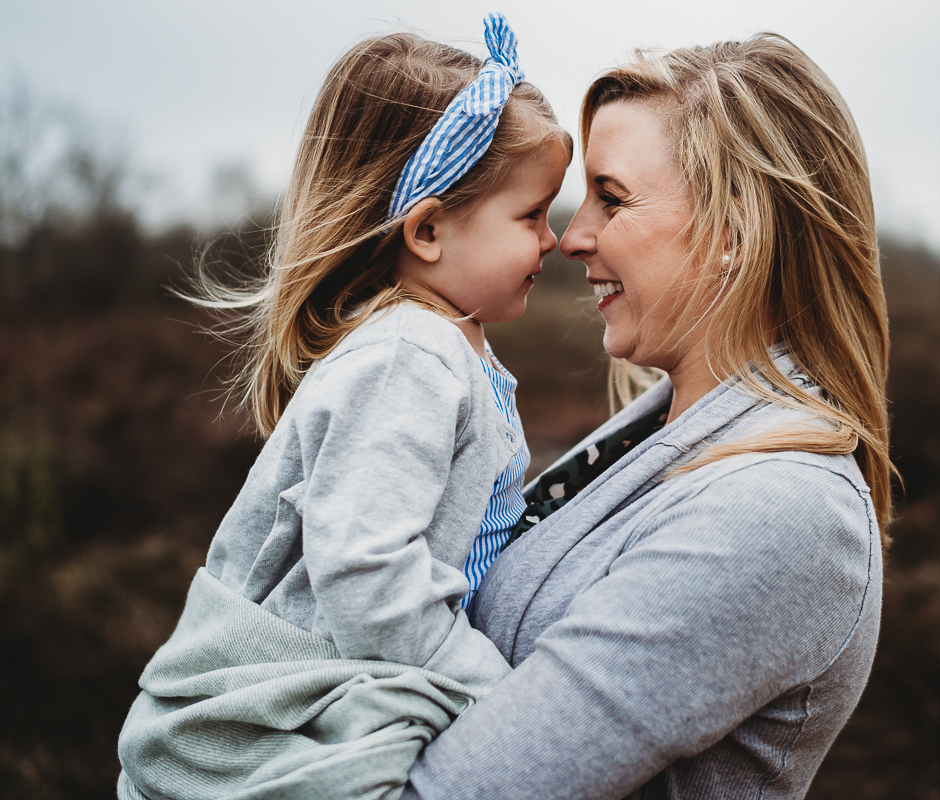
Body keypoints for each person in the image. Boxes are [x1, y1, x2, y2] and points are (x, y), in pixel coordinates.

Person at [399, 32, 892, 799]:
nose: (572, 236)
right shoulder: (654, 437)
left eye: (613, 197)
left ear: (734, 231)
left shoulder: (780, 513)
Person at [116, 15, 570, 799]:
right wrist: (498, 690)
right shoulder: (411, 358)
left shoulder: (448, 347)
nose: (554, 240)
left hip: (344, 694)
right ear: (427, 229)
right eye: (532, 215)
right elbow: (368, 579)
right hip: (286, 720)